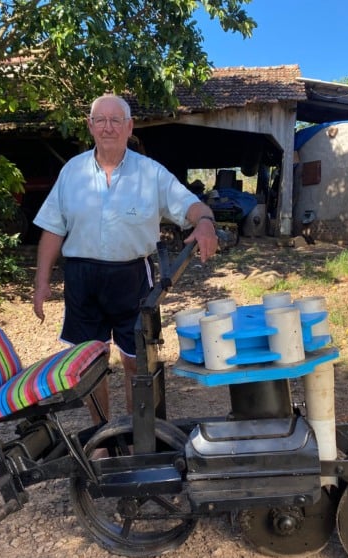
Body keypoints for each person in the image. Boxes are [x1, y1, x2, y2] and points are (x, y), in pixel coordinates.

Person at [32, 94, 218, 421]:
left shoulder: (150, 173)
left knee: (137, 361)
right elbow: (52, 229)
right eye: (100, 120)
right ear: (90, 126)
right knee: (88, 363)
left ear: (129, 127)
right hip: (82, 278)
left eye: (116, 120)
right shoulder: (72, 172)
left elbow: (191, 205)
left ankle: (136, 435)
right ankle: (102, 436)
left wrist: (204, 222)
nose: (108, 127)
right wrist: (41, 281)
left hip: (132, 277)